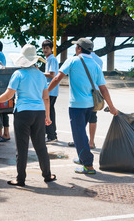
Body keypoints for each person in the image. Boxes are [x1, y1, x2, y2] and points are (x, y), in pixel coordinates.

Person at [0, 44, 56, 186]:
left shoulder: (18, 74)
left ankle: (20, 179)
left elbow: (8, 95)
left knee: (22, 147)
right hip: (39, 112)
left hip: (23, 113)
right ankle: (47, 175)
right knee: (41, 146)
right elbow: (46, 98)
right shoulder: (41, 75)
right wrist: (47, 116)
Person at [48, 38, 118, 175]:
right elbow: (103, 89)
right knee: (81, 133)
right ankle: (83, 158)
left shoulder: (73, 61)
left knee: (78, 135)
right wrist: (112, 107)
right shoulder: (95, 64)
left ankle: (88, 165)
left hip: (76, 105)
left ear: (79, 48)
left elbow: (57, 78)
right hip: (90, 105)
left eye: (76, 47)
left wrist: (44, 92)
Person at [68, 51, 103, 149]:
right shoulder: (99, 60)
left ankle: (80, 141)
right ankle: (91, 142)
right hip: (95, 92)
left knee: (80, 120)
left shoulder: (77, 59)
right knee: (93, 117)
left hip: (82, 92)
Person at [41, 40, 59, 143]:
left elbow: (52, 75)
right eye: (43, 48)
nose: (45, 50)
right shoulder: (48, 59)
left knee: (48, 112)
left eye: (47, 48)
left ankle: (51, 135)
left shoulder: (52, 59)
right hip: (50, 90)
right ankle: (52, 135)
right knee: (50, 111)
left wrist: (40, 73)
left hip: (50, 90)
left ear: (51, 49)